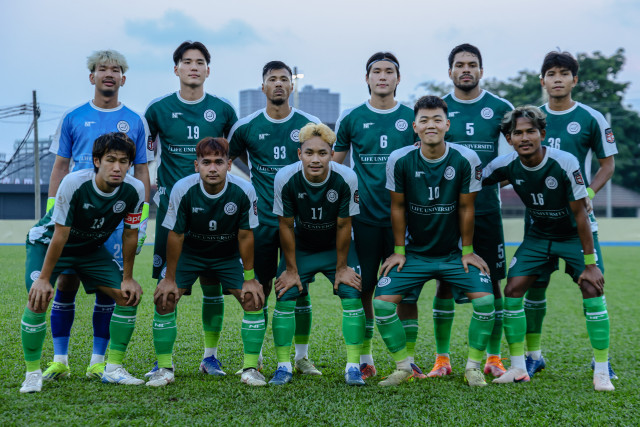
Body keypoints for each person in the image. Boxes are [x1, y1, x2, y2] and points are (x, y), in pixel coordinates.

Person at [485, 105, 613, 392]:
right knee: (513, 290)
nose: (524, 137)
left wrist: (590, 264)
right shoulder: (503, 165)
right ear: (509, 139)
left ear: (542, 134)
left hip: (573, 235)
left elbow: (581, 214)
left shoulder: (564, 162)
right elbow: (471, 179)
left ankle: (602, 370)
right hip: (539, 236)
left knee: (592, 288)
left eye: (531, 131)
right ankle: (519, 367)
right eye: (517, 133)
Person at [44, 50, 151, 381]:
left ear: (123, 79)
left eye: (115, 69)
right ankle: (60, 360)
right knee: (66, 280)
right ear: (92, 77)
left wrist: (142, 218)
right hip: (75, 212)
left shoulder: (135, 120)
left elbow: (142, 170)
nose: (109, 74)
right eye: (102, 69)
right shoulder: (73, 117)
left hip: (115, 216)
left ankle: (98, 362)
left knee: (110, 286)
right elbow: (60, 166)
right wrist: (51, 210)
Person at [375, 95, 494, 387]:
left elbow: (466, 207)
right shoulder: (399, 159)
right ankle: (404, 366)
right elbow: (397, 207)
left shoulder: (466, 158)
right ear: (414, 126)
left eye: (437, 119)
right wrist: (399, 251)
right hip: (414, 254)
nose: (431, 125)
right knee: (382, 305)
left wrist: (468, 251)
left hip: (453, 254)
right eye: (424, 120)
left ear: (447, 125)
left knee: (487, 301)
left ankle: (473, 368)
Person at [20, 133, 146, 393]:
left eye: (123, 161)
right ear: (97, 161)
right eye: (110, 160)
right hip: (48, 242)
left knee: (127, 296)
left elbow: (130, 234)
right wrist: (43, 279)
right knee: (38, 297)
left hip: (89, 248)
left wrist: (128, 278)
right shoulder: (74, 182)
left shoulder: (135, 189)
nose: (117, 167)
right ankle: (32, 373)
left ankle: (113, 368)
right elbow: (60, 234)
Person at [145, 41, 238, 376]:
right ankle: (163, 363)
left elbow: (234, 156)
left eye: (200, 62)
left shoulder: (223, 110)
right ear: (176, 69)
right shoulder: (157, 109)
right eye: (187, 62)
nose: (193, 67)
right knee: (166, 289)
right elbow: (146, 156)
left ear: (208, 71)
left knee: (212, 285)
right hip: (171, 213)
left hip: (215, 212)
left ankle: (210, 357)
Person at [523, 51, 618, 380]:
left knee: (593, 286)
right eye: (551, 74)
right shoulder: (531, 119)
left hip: (578, 223)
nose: (557, 79)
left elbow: (608, 165)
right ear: (542, 80)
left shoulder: (591, 118)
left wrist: (588, 193)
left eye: (564, 73)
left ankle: (601, 361)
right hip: (538, 222)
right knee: (534, 287)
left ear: (574, 80)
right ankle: (533, 355)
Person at [148, 137, 267, 387]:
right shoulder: (183, 188)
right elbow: (176, 234)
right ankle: (164, 368)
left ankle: (250, 369)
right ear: (196, 165)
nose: (212, 168)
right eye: (206, 162)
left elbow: (246, 235)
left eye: (219, 162)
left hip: (227, 255)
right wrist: (169, 279)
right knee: (165, 297)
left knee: (253, 299)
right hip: (190, 254)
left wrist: (250, 278)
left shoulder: (244, 190)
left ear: (229, 164)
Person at [229, 61, 321, 375]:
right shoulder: (246, 126)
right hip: (262, 222)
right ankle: (254, 359)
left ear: (292, 86)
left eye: (284, 79)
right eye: (272, 79)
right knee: (260, 288)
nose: (279, 83)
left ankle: (301, 357)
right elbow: (226, 160)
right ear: (263, 87)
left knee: (300, 289)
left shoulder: (309, 124)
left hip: (300, 223)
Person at [428, 43, 514, 379]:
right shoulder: (438, 108)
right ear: (450, 71)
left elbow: (516, 157)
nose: (466, 69)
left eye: (472, 64)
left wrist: (486, 184)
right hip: (444, 212)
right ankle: (442, 359)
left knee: (493, 282)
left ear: (481, 70)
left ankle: (494, 357)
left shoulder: (501, 108)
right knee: (445, 281)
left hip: (486, 210)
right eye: (460, 64)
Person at [333, 52, 419, 379]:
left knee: (406, 291)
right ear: (366, 78)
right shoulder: (352, 117)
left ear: (399, 78)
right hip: (364, 218)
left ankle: (409, 359)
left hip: (406, 221)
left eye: (389, 71)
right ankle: (366, 359)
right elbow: (336, 167)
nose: (383, 76)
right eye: (376, 71)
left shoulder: (412, 117)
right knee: (364, 288)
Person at [270, 123, 365, 386]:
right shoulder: (285, 177)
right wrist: (291, 270)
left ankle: (353, 367)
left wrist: (343, 267)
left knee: (352, 291)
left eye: (322, 153)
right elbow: (285, 225)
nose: (315, 159)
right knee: (286, 293)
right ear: (299, 154)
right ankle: (285, 365)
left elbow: (345, 225)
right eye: (309, 152)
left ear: (332, 154)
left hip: (336, 248)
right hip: (302, 247)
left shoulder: (346, 177)